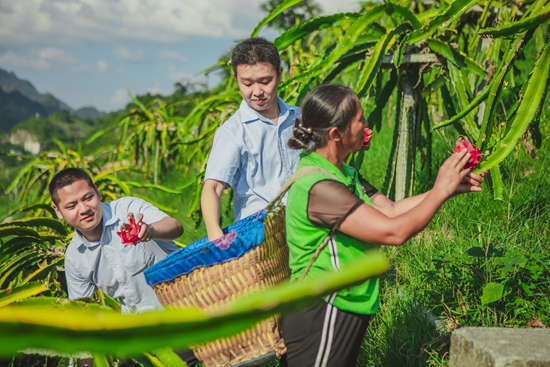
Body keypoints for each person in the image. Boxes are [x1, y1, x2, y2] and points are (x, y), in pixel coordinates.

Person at [279, 84, 487, 367]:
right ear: (336, 134)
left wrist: (448, 188)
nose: (367, 125)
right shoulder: (319, 187)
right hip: (322, 309)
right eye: (360, 119)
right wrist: (439, 190)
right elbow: (394, 232)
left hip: (345, 304)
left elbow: (390, 211)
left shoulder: (342, 173)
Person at [49, 168, 197, 367]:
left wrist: (150, 231)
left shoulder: (127, 209)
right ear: (58, 211)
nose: (84, 209)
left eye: (88, 197)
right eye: (71, 205)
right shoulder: (75, 258)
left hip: (183, 316)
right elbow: (84, 318)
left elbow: (175, 227)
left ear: (98, 193)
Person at [201, 37, 300, 240]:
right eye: (247, 83)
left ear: (279, 74)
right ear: (236, 77)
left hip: (306, 226)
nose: (257, 92)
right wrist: (214, 233)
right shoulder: (232, 132)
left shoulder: (300, 118)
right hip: (261, 237)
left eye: (265, 81)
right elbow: (213, 186)